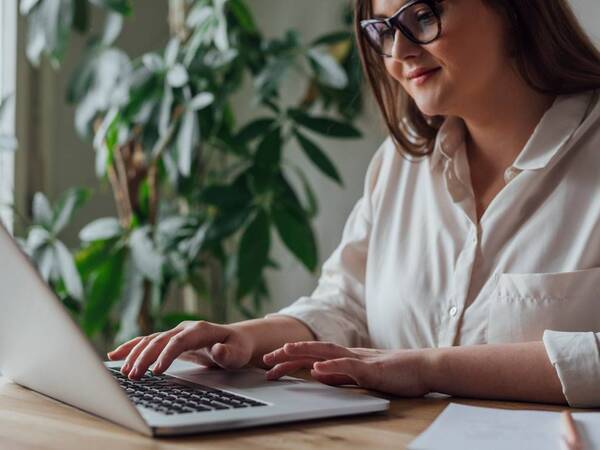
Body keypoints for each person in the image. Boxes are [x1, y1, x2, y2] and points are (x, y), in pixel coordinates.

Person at [108, 0, 600, 407]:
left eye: (423, 16)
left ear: (515, 11)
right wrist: (243, 338)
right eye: (383, 29)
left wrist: (425, 366)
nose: (399, 52)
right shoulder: (399, 164)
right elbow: (344, 305)